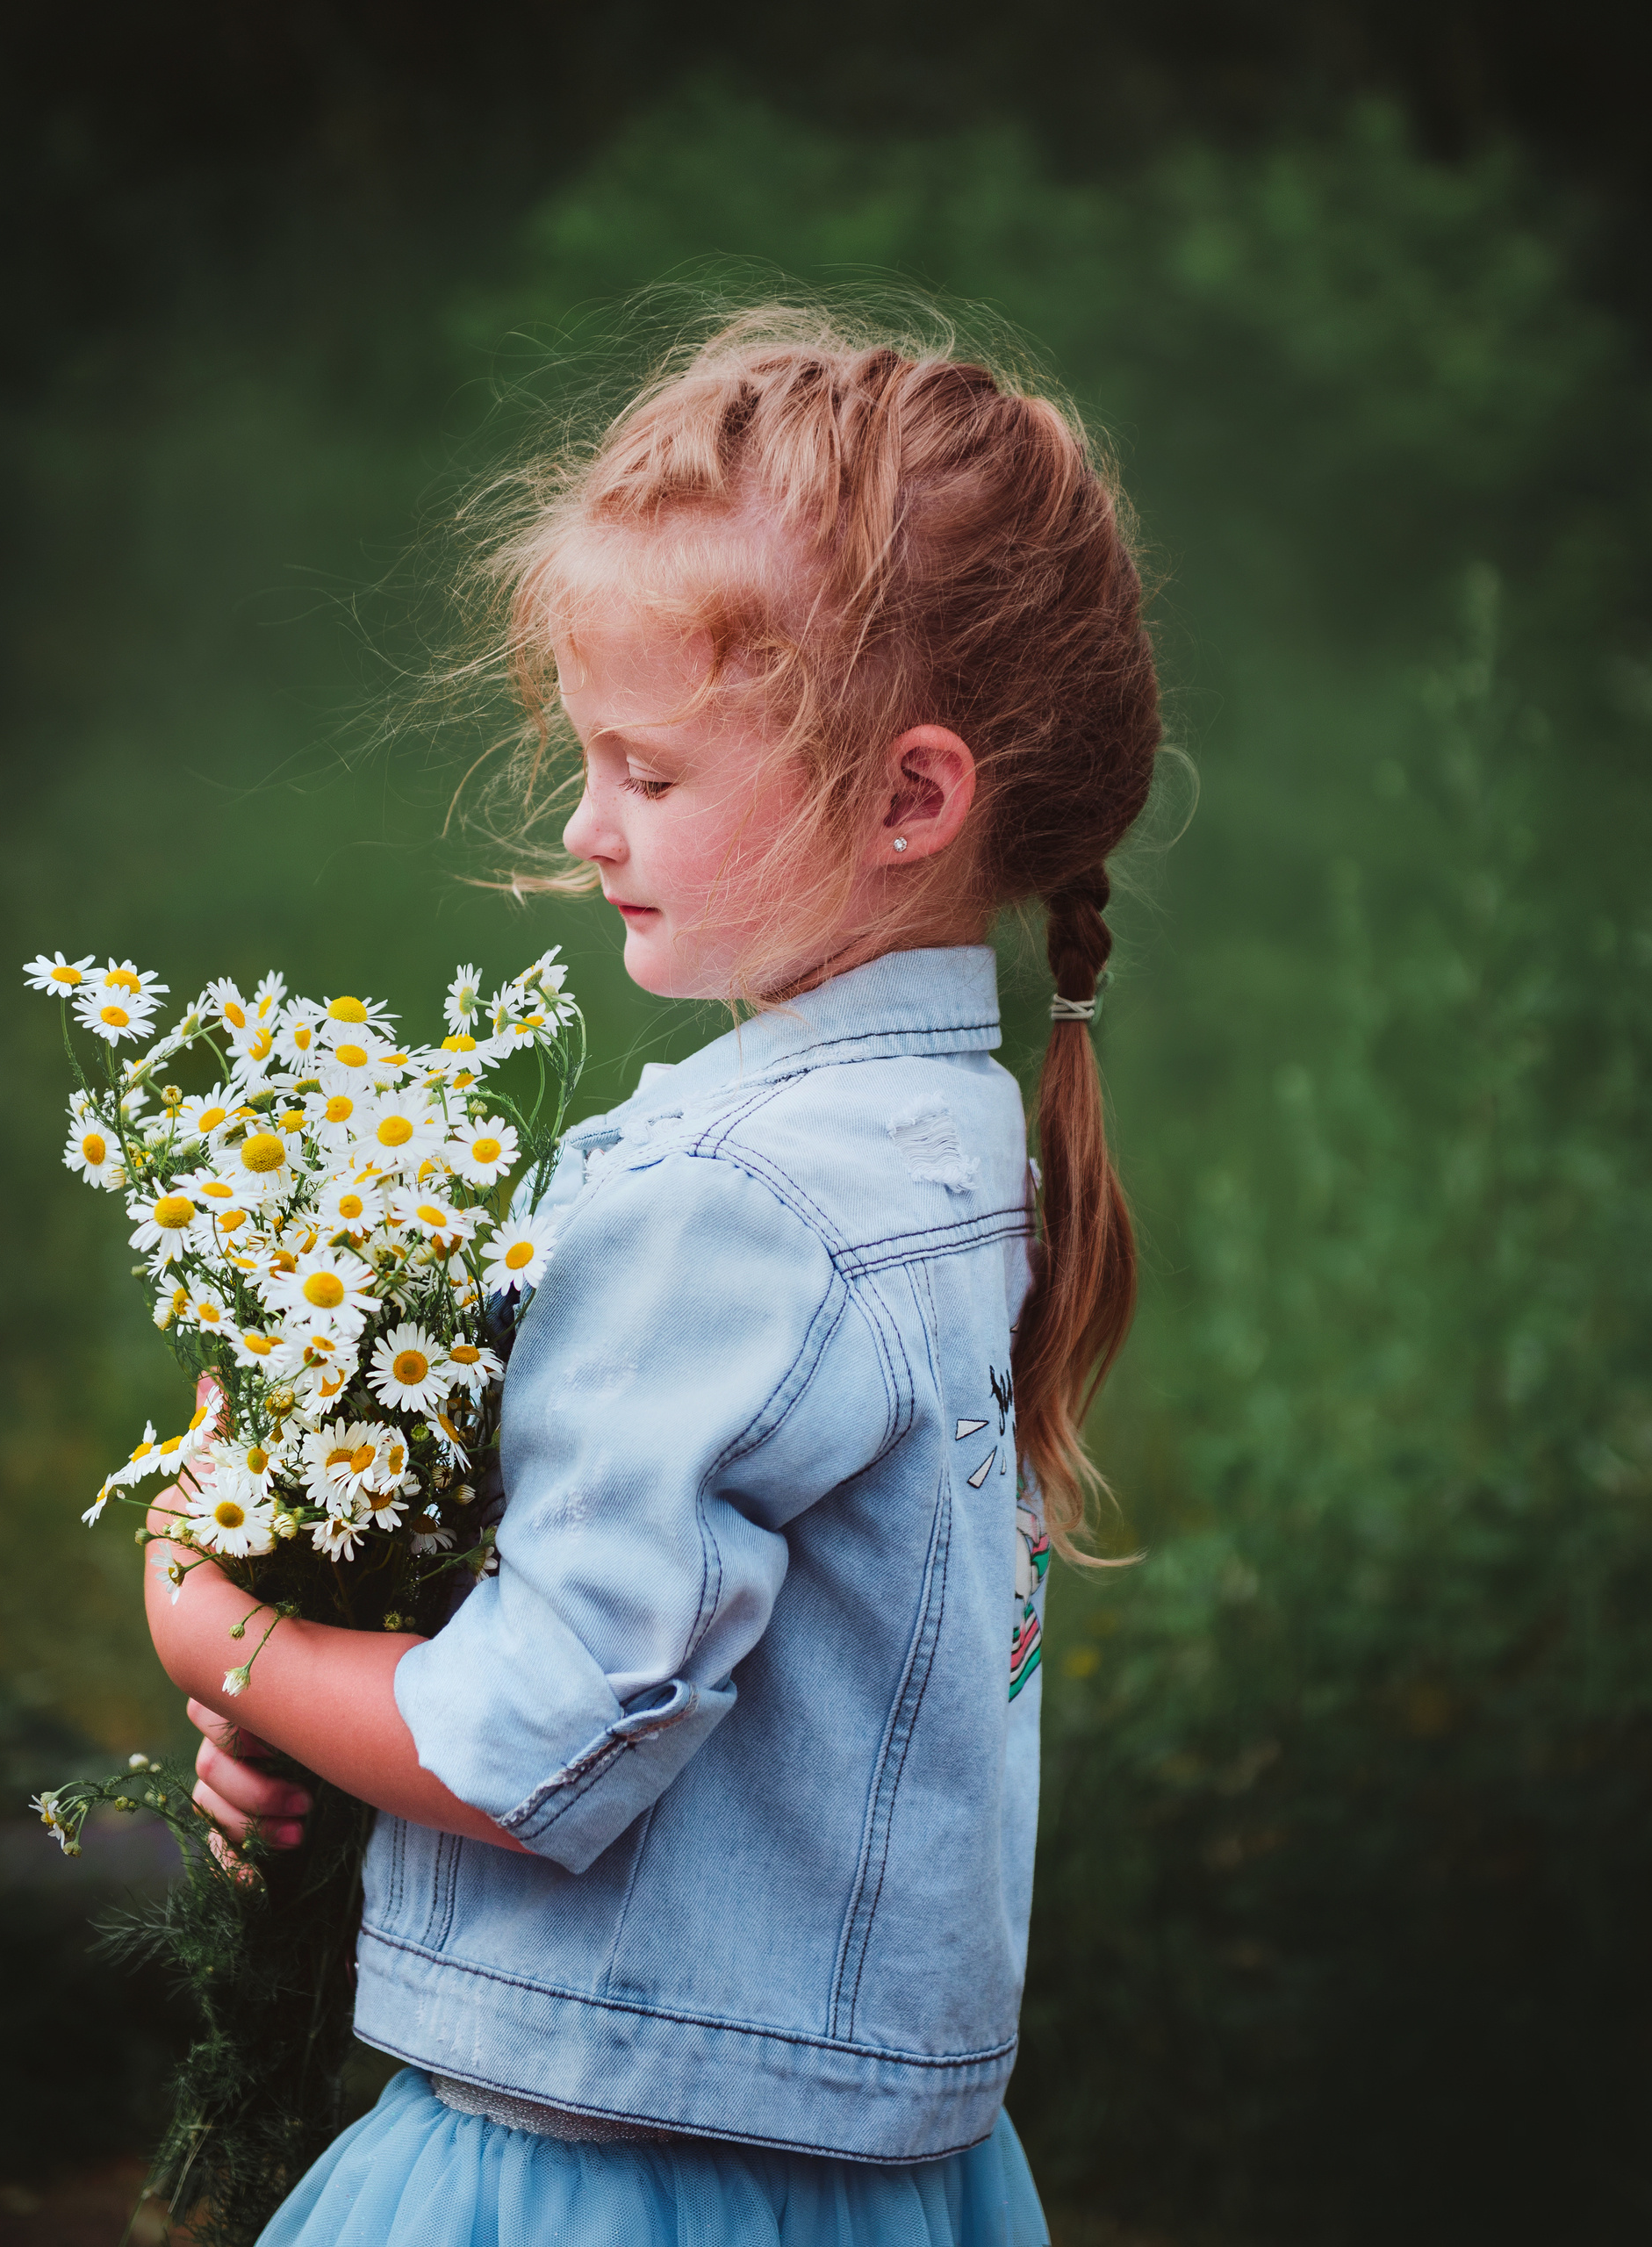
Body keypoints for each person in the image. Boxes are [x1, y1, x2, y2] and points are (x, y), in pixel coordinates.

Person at [145, 308, 1164, 2245]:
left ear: (908, 798)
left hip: (604, 2169)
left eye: (648, 772)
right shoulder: (954, 1145)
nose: (583, 824)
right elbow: (681, 1655)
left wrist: (229, 1630)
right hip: (877, 2174)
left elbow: (534, 1747)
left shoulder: (735, 1201)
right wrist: (342, 1694)